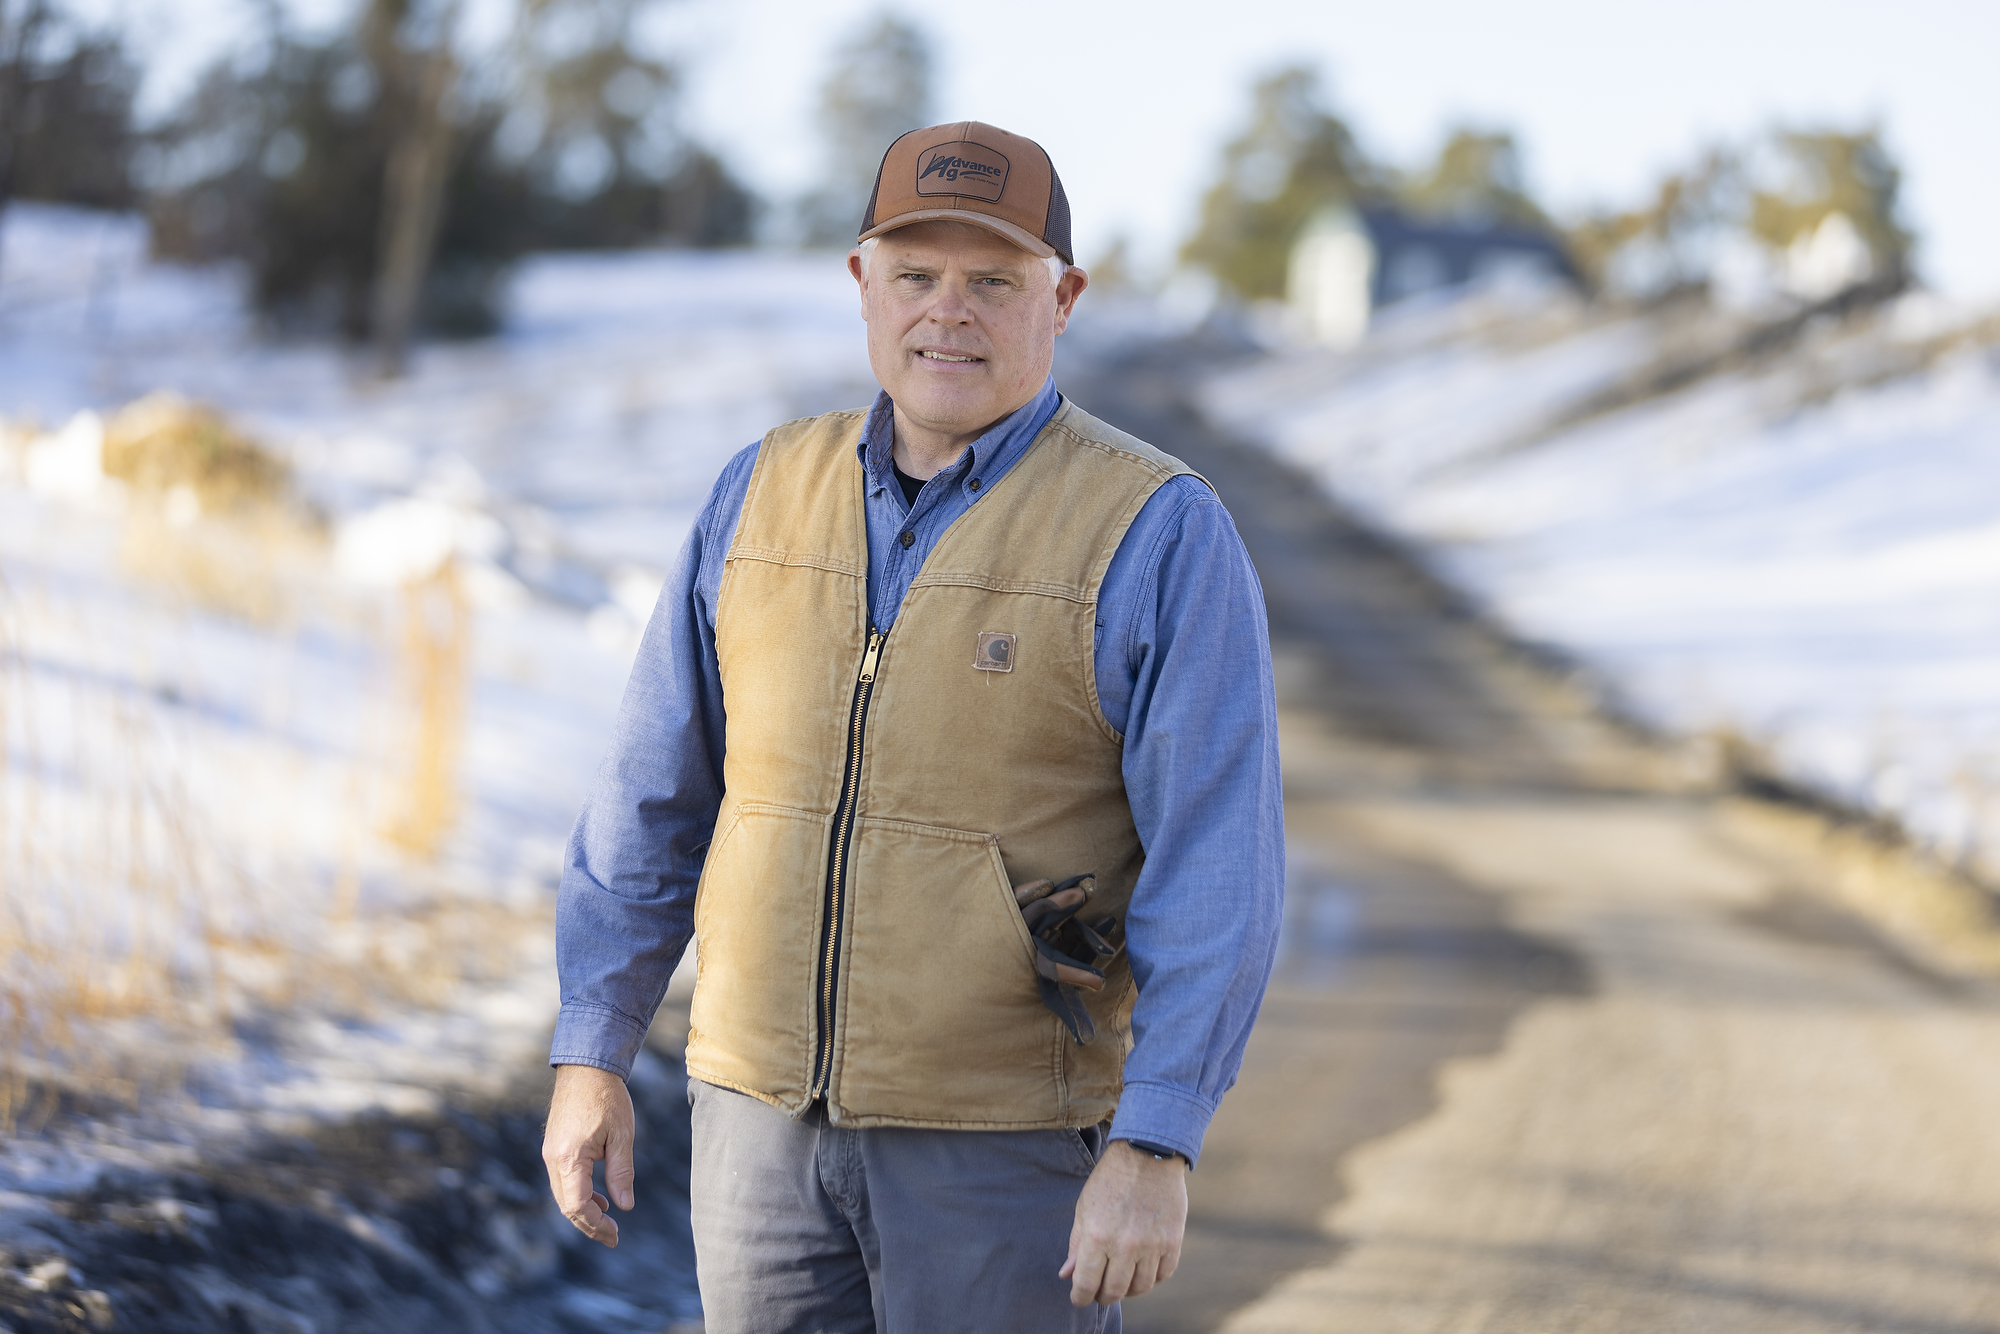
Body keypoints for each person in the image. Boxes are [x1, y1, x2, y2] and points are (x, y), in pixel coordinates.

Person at [541, 120, 1284, 1332]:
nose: (950, 313)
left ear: (1064, 299)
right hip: (756, 1131)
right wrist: (593, 1044)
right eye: (916, 275)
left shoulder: (1156, 530)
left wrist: (1155, 1140)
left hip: (1004, 1150)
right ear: (861, 286)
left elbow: (1220, 866)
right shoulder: (758, 489)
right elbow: (650, 797)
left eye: (994, 279)